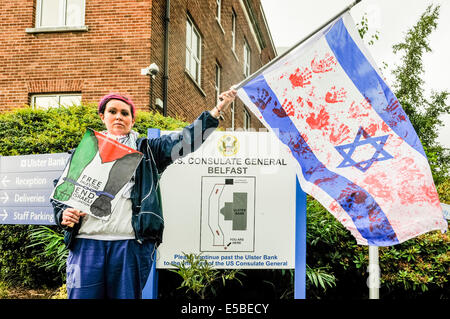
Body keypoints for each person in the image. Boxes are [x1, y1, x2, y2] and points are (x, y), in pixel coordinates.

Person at [52, 89, 237, 299]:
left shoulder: (149, 150)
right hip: (86, 244)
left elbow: (186, 141)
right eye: (113, 111)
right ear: (102, 117)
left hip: (129, 245)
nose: (119, 116)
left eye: (125, 113)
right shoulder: (83, 150)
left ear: (132, 120)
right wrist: (64, 213)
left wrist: (217, 110)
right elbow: (61, 190)